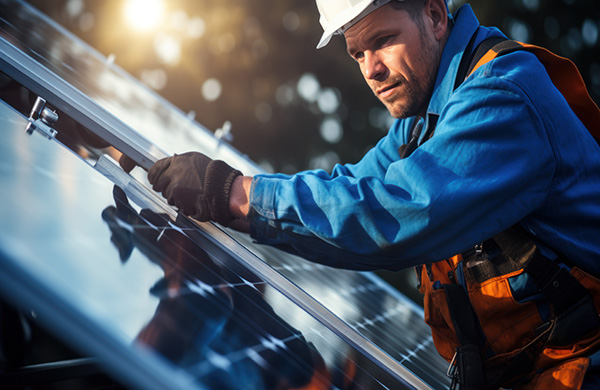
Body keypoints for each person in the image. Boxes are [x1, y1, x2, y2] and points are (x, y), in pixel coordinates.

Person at [130, 0, 600, 388]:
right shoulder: (426, 116)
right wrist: (220, 202)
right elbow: (352, 187)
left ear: (435, 16)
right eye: (357, 53)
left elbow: (389, 211)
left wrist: (229, 192)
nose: (372, 70)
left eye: (382, 41)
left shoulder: (501, 98)